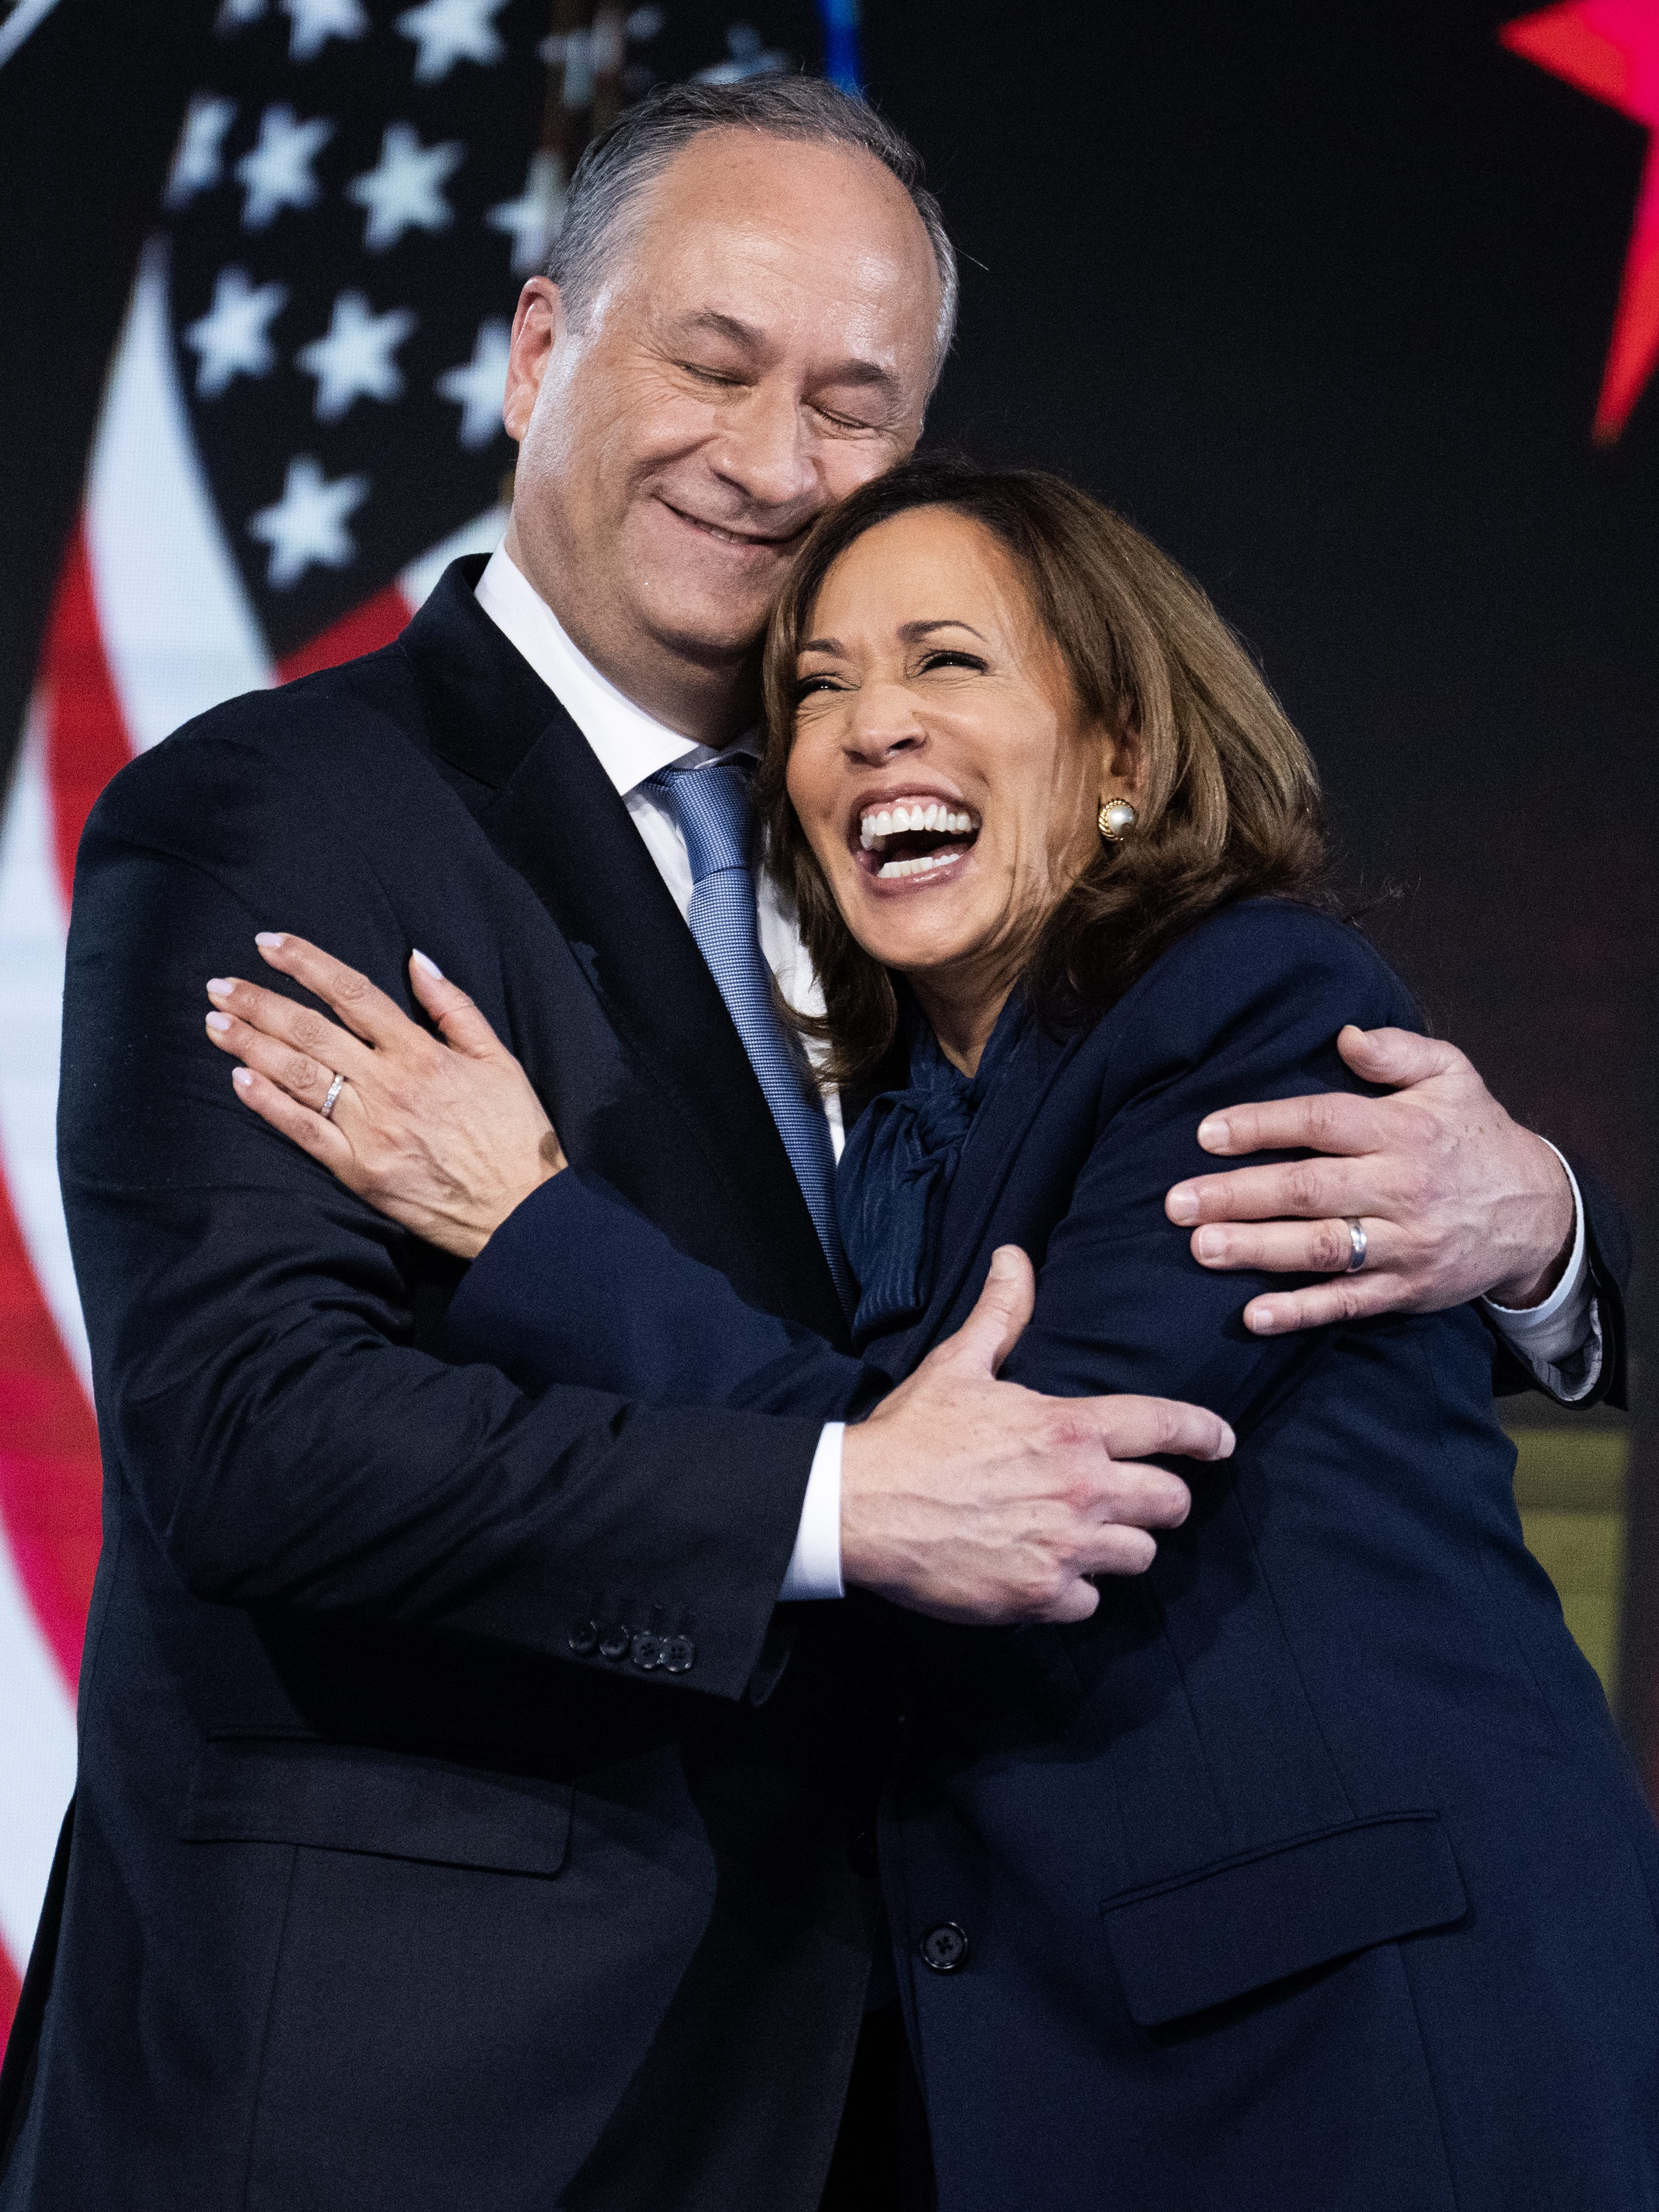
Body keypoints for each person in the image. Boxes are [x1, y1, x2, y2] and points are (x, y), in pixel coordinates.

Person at [0, 77, 1621, 2212]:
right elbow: (252, 1431)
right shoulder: (279, 811)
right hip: (401, 2089)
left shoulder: (947, 891)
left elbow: (1072, 1402)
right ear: (531, 353)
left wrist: (1547, 1233)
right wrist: (845, 1494)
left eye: (853, 402)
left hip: (909, 2080)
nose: (772, 460)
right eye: (712, 360)